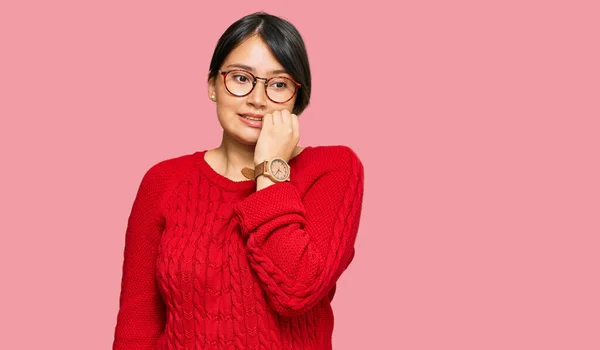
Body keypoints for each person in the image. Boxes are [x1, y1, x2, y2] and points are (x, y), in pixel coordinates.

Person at [113, 11, 365, 350]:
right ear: (213, 85)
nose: (257, 100)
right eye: (241, 78)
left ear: (297, 98)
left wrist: (270, 167)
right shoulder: (163, 180)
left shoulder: (332, 168)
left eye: (278, 84)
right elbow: (137, 321)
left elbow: (296, 291)